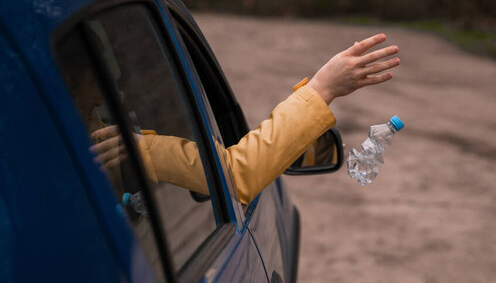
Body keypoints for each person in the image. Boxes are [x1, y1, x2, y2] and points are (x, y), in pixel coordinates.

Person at [90, 33, 400, 205]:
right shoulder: (110, 144)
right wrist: (322, 89)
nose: (114, 85)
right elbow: (235, 177)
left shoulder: (89, 134)